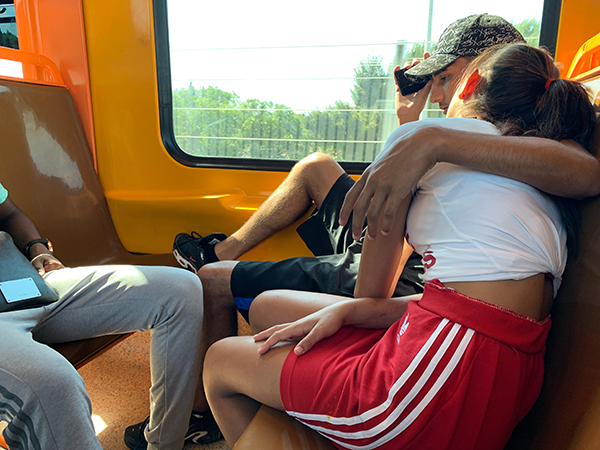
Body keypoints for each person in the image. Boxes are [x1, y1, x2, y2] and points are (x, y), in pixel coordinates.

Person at [125, 14, 600, 447]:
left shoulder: (426, 141)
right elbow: (473, 298)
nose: (437, 96)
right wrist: (351, 312)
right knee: (270, 308)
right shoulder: (543, 163)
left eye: (441, 80)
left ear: (472, 79)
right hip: (505, 373)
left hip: (439, 373)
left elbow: (372, 287)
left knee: (221, 362)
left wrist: (414, 133)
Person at [0, 185, 205, 450]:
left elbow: (9, 213)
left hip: (21, 282)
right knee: (53, 382)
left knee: (181, 290)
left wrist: (39, 251)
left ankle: (164, 444)